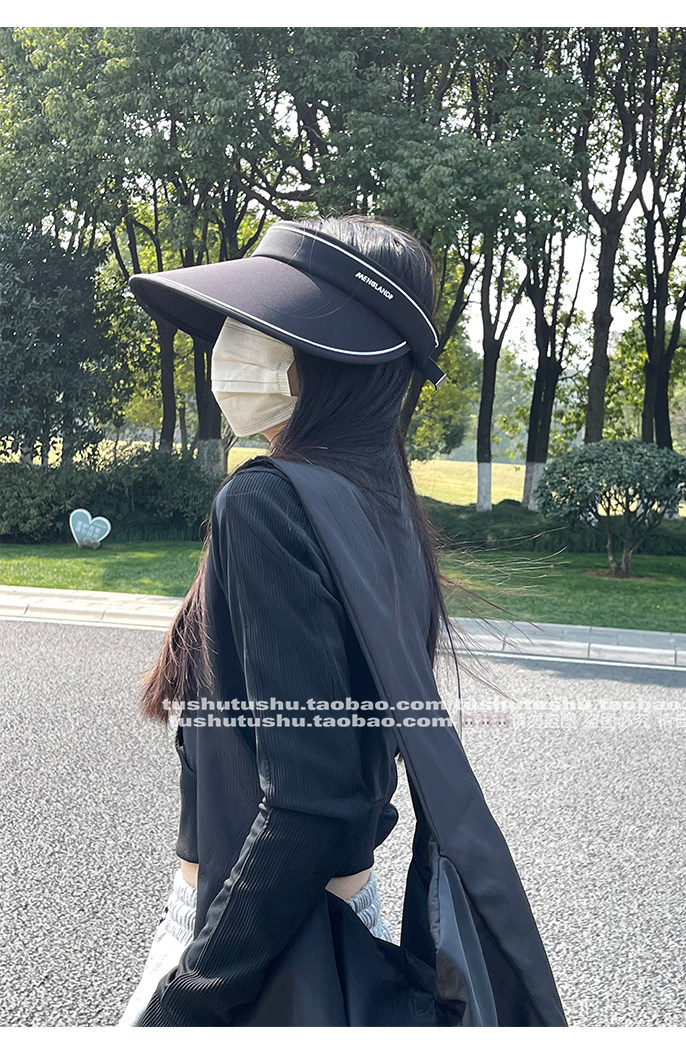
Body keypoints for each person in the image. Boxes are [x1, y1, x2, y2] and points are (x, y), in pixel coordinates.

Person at [118, 216, 566, 1027]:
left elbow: (311, 799)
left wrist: (186, 1001)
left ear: (328, 356)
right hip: (346, 926)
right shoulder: (381, 506)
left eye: (263, 327)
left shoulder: (264, 501)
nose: (230, 345)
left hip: (252, 940)